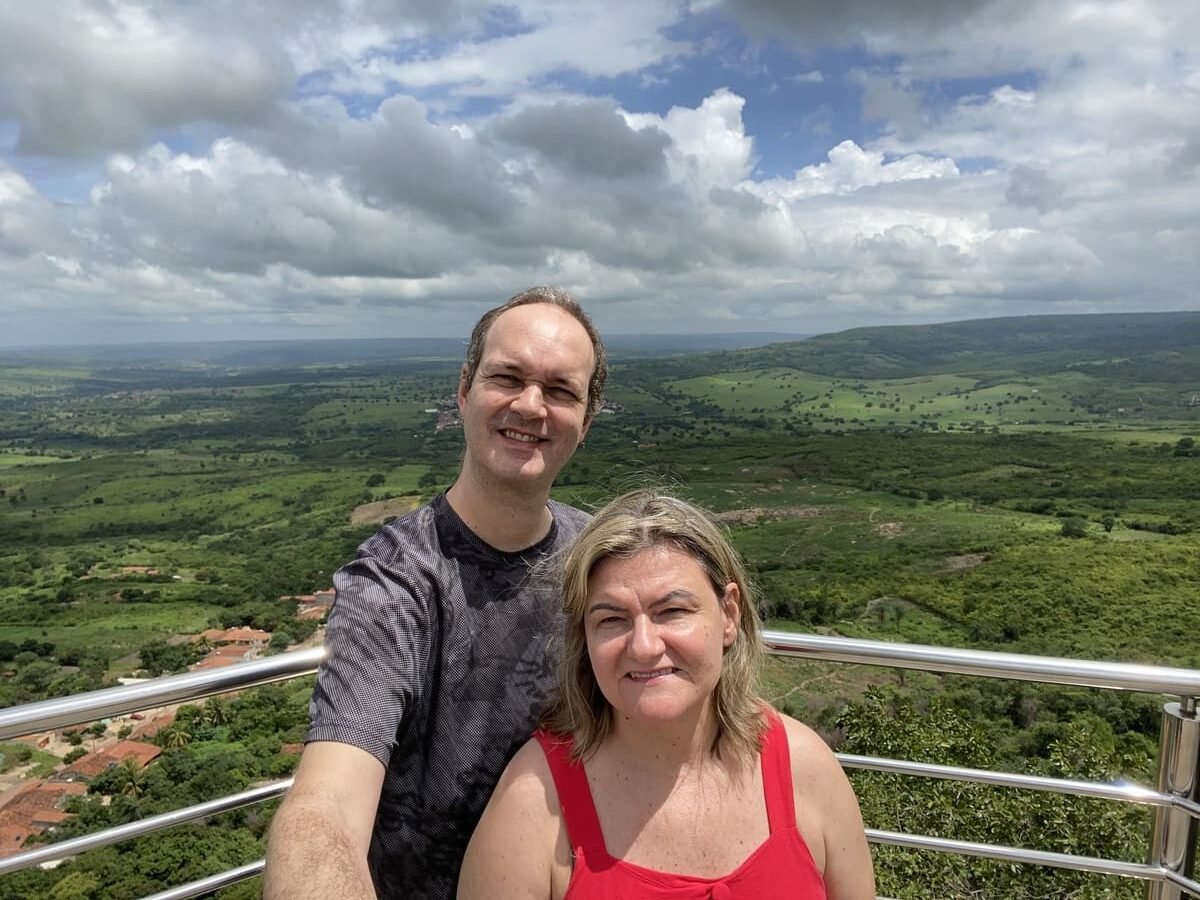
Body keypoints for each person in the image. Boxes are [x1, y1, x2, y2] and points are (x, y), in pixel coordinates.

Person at [264, 287, 608, 900]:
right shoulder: (395, 579)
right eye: (508, 377)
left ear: (587, 417)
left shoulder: (597, 556)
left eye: (560, 390)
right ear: (464, 390)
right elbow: (327, 806)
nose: (531, 406)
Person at [458, 489, 875, 900]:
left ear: (729, 615)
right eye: (611, 619)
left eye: (672, 611)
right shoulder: (533, 804)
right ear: (584, 637)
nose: (643, 646)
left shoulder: (805, 768)